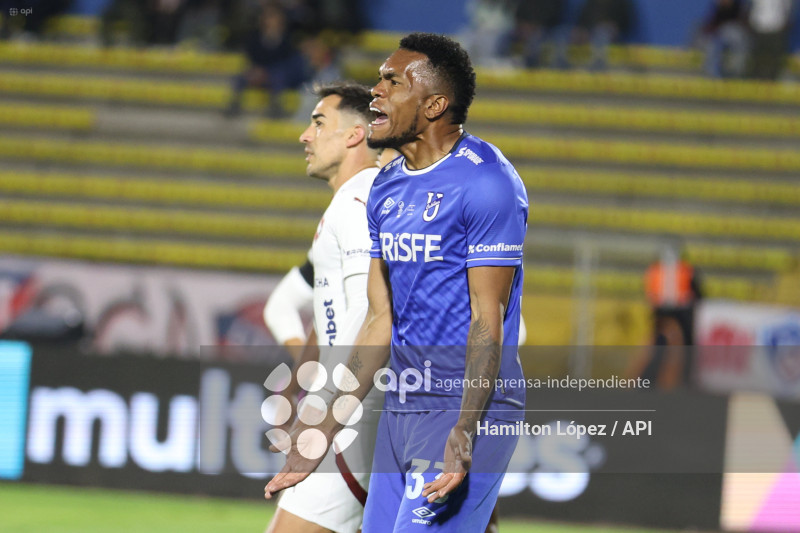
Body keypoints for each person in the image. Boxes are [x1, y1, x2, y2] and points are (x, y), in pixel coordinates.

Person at [265, 33, 528, 533]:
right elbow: (379, 320)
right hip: (401, 409)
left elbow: (486, 319)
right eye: (379, 78)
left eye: (392, 81)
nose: (377, 91)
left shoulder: (487, 181)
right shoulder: (386, 188)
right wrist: (323, 426)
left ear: (434, 104)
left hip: (460, 405)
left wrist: (465, 428)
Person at [261, 82, 385, 533]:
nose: (304, 136)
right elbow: (328, 315)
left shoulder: (358, 201)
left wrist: (325, 415)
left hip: (354, 415)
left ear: (355, 135)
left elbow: (369, 315)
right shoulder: (346, 203)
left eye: (318, 123)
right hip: (351, 409)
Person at [697, 0, 749, 78]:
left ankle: (736, 74)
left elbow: (743, 24)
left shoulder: (739, 6)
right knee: (711, 44)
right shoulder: (718, 8)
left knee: (735, 36)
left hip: (736, 33)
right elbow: (712, 24)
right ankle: (712, 75)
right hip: (721, 35)